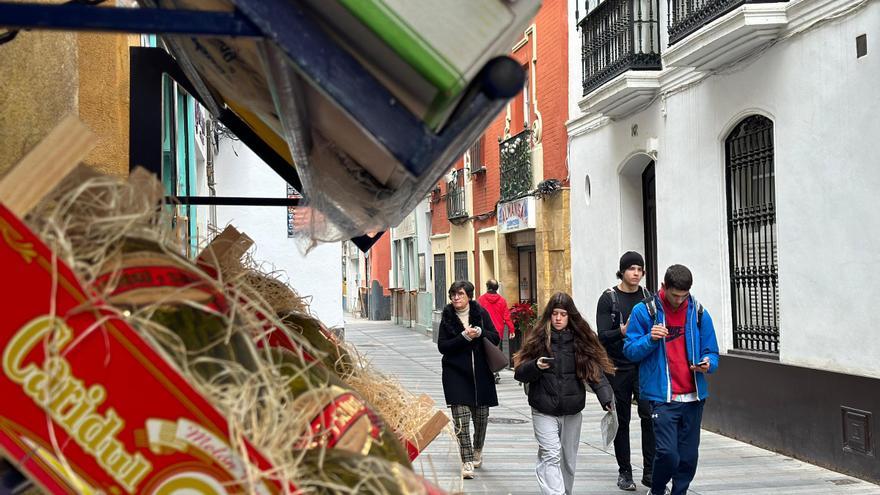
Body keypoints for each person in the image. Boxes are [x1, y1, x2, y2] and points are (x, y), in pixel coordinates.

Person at [623, 265, 719, 495]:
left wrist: (708, 363)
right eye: (674, 295)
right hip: (662, 397)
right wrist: (650, 338)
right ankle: (656, 490)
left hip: (693, 397)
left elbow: (712, 351)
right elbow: (629, 351)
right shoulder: (644, 311)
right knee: (667, 453)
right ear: (663, 287)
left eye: (684, 296)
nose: (679, 300)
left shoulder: (698, 312)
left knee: (688, 458)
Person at [514, 292, 615, 495]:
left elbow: (595, 372)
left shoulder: (580, 341)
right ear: (549, 316)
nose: (558, 318)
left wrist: (606, 398)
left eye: (563, 314)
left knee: (568, 459)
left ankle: (564, 491)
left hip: (572, 410)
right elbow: (520, 373)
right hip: (543, 408)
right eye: (554, 313)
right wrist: (536, 366)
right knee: (551, 454)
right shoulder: (539, 339)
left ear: (571, 316)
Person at [596, 252, 656, 491]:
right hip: (617, 367)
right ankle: (625, 472)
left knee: (649, 417)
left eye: (640, 269)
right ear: (622, 271)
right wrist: (622, 331)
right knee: (621, 421)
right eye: (631, 268)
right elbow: (602, 336)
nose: (636, 273)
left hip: (643, 366)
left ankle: (650, 472)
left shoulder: (647, 297)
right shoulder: (608, 299)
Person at [437, 280, 501, 480]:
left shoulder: (481, 314)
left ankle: (477, 449)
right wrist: (463, 337)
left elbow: (496, 337)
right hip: (456, 375)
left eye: (460, 294)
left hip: (481, 375)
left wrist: (481, 333)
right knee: (461, 421)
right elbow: (443, 346)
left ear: (469, 296)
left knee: (481, 419)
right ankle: (466, 461)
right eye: (453, 294)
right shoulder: (447, 317)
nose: (456, 298)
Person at [478, 278, 516, 383]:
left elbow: (477, 315)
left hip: (485, 330)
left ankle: (491, 372)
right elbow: (507, 316)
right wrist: (511, 330)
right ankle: (495, 372)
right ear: (497, 288)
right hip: (498, 331)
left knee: (485, 351)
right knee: (495, 351)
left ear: (487, 287)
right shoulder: (502, 301)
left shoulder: (481, 300)